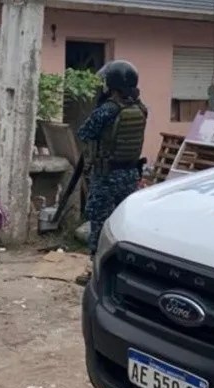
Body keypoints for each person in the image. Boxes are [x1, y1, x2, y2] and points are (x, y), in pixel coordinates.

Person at [74, 60, 148, 286]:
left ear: (112, 84)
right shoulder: (141, 108)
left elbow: (84, 133)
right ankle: (122, 269)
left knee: (99, 222)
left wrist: (99, 105)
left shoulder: (108, 110)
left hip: (107, 178)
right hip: (130, 176)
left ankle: (95, 271)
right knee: (123, 224)